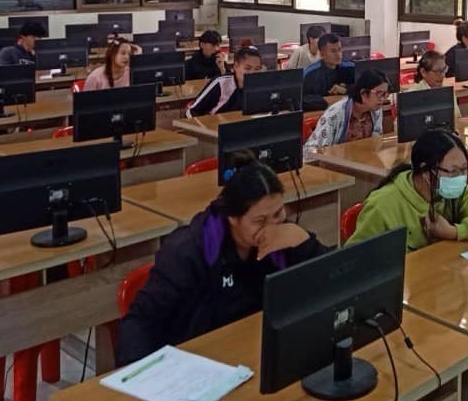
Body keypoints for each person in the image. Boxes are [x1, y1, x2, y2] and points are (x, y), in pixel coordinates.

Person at [115, 152, 329, 366]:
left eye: (278, 213)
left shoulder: (283, 236)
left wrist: (304, 242)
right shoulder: (188, 251)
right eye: (260, 221)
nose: (272, 227)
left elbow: (334, 280)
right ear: (233, 217)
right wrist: (137, 372)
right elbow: (140, 321)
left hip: (254, 350)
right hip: (200, 359)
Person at [346, 129, 468, 252]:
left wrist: (454, 232)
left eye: (464, 169)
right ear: (426, 172)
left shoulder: (456, 191)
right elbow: (354, 260)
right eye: (453, 171)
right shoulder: (383, 205)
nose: (460, 177)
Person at [303, 69, 388, 159]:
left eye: (385, 94)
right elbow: (316, 151)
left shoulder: (376, 110)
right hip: (333, 162)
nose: (383, 99)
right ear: (363, 94)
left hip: (361, 160)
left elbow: (375, 143)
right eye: (379, 94)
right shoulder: (335, 114)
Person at [185, 46, 264, 116]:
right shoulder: (221, 83)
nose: (253, 73)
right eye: (247, 68)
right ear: (236, 66)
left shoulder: (261, 86)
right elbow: (191, 111)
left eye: (257, 69)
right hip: (214, 125)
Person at [302, 33, 354, 108]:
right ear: (322, 54)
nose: (339, 55)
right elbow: (301, 98)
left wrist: (346, 90)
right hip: (320, 111)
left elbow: (363, 89)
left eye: (339, 49)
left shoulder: (350, 67)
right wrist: (324, 101)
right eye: (333, 51)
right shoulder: (310, 73)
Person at [404, 50, 461, 119]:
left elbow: (457, 118)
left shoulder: (448, 90)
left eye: (444, 70)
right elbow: (399, 124)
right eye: (438, 71)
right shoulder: (411, 95)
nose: (443, 75)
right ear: (423, 72)